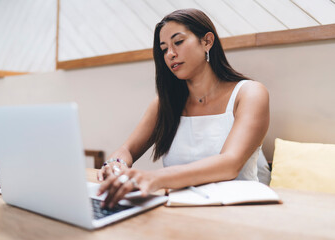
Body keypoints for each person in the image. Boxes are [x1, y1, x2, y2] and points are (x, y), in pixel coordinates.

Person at [97, 8, 271, 209]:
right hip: (179, 209)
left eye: (178, 42)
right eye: (163, 49)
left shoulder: (249, 93)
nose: (170, 54)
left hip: (238, 211)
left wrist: (154, 178)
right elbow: (127, 149)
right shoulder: (164, 103)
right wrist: (115, 164)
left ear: (207, 41)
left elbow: (230, 164)